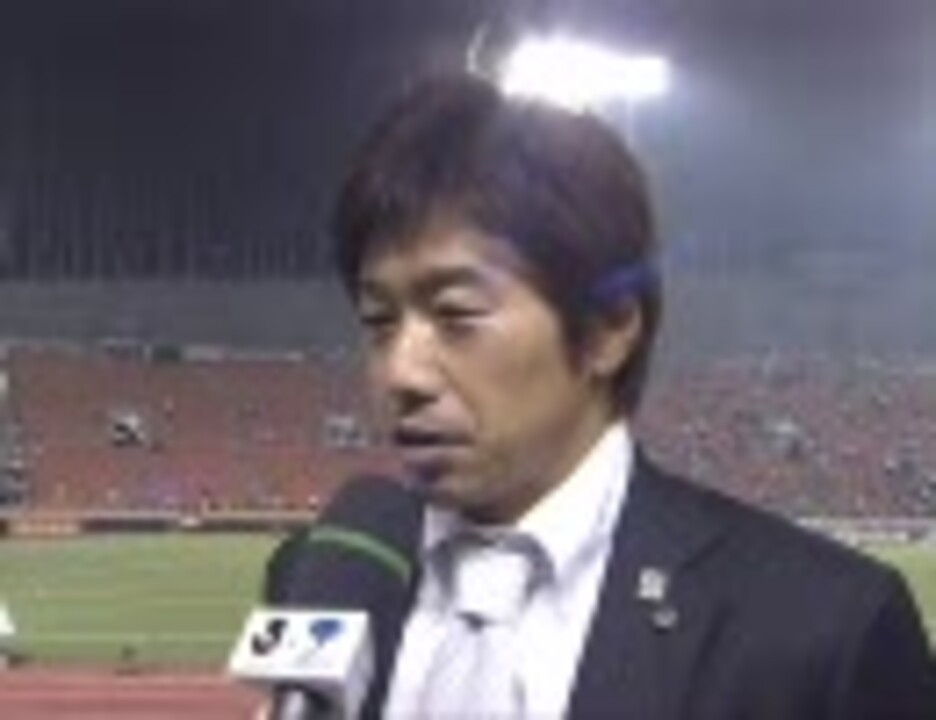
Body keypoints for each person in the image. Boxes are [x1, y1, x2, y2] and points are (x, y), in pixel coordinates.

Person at [325, 71, 936, 718]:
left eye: (457, 314)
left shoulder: (826, 633)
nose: (401, 373)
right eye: (378, 321)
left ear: (607, 327)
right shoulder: (332, 581)